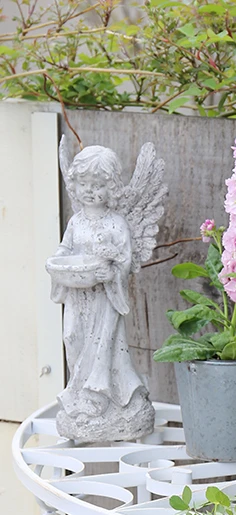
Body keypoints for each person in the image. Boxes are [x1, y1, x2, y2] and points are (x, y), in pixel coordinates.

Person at [50, 146, 154, 442]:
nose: (89, 191)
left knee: (101, 346)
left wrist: (112, 271)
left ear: (111, 188)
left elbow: (125, 260)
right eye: (83, 184)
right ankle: (78, 394)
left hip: (104, 301)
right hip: (76, 295)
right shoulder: (75, 222)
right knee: (72, 337)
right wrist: (56, 262)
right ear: (74, 184)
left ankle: (98, 397)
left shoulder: (116, 223)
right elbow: (65, 250)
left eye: (97, 186)